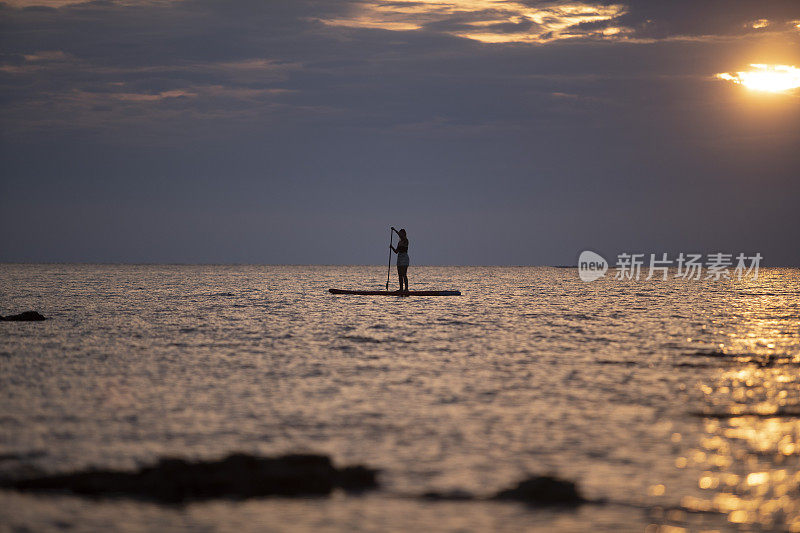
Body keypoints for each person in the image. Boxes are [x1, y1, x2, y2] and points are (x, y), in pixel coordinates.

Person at [390, 227, 410, 293]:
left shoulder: (405, 240)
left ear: (404, 234)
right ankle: (401, 289)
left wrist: (395, 230)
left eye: (401, 233)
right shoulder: (399, 242)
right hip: (399, 258)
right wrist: (392, 247)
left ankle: (406, 289)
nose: (400, 235)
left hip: (404, 258)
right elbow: (396, 251)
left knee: (404, 274)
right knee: (400, 275)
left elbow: (400, 235)